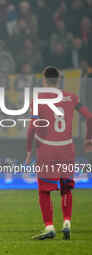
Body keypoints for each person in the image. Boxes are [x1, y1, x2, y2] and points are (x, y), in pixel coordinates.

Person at [26, 66, 92, 240]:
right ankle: (67, 222)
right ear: (59, 80)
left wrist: (28, 150)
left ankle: (49, 227)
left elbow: (32, 126)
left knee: (44, 190)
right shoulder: (71, 97)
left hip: (46, 148)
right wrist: (88, 139)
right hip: (66, 148)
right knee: (65, 187)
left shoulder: (38, 99)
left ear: (44, 80)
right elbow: (90, 117)